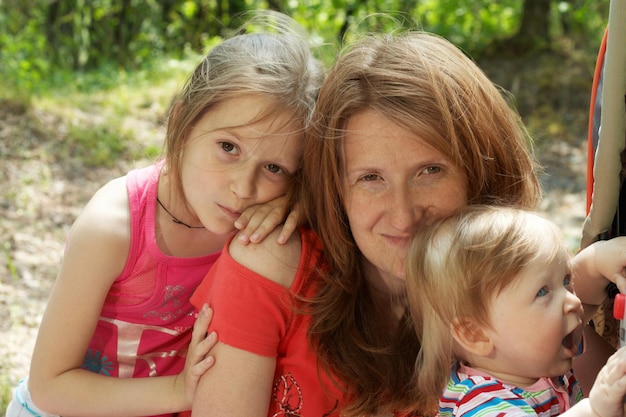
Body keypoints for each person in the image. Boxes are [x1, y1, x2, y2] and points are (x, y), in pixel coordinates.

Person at [190, 31, 544, 416]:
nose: (403, 215)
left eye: (430, 171)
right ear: (335, 187)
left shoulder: (520, 282)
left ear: (480, 172)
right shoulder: (273, 268)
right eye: (370, 178)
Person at [6, 11, 324, 417]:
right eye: (228, 147)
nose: (244, 187)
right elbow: (50, 385)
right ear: (182, 123)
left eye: (274, 168)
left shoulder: (259, 213)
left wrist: (296, 203)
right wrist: (178, 390)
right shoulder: (113, 226)